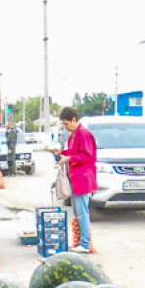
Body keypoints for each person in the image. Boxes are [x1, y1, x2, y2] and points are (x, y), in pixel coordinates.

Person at [59, 106, 97, 253]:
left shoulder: (84, 134)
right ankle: (81, 241)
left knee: (82, 212)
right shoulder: (73, 136)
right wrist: (61, 152)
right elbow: (74, 152)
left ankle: (85, 244)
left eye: (67, 124)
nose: (66, 127)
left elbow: (87, 156)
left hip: (83, 178)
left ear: (74, 119)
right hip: (75, 178)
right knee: (77, 211)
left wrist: (69, 158)